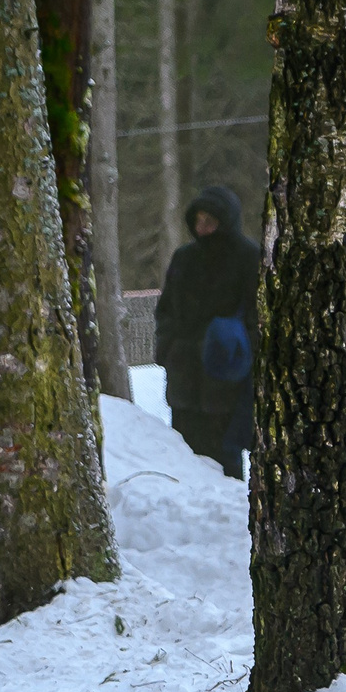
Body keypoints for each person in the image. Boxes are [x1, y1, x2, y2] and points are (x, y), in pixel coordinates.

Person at [152, 185, 257, 479]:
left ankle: (228, 513)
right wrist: (170, 349)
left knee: (226, 454)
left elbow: (257, 314)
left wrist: (241, 351)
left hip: (227, 375)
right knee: (186, 453)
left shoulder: (248, 257)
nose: (203, 227)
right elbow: (166, 310)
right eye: (199, 220)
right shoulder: (184, 258)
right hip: (185, 375)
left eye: (210, 221)